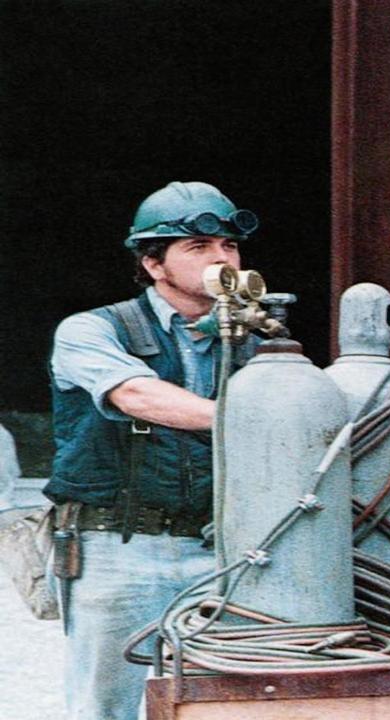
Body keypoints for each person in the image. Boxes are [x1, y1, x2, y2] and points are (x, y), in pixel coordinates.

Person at [44, 181, 259, 720]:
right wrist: (262, 418)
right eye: (199, 247)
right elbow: (135, 395)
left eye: (229, 246)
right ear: (153, 263)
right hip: (119, 546)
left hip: (221, 549)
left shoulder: (251, 342)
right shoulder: (92, 330)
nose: (222, 259)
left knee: (228, 704)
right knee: (105, 708)